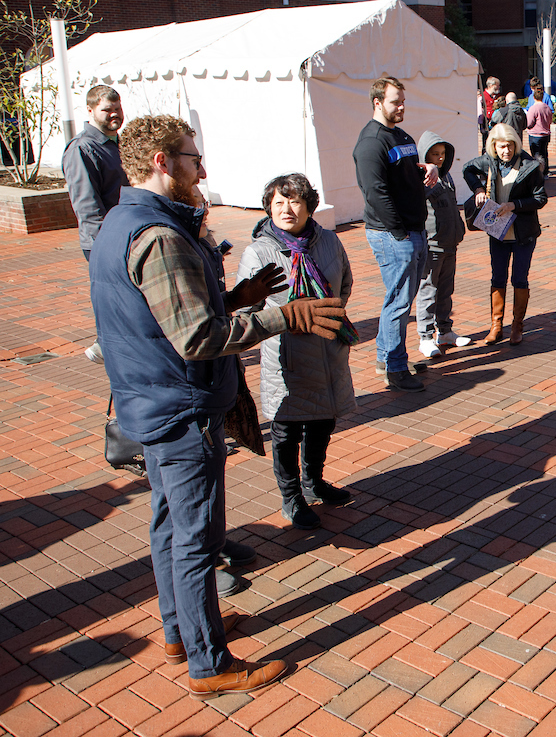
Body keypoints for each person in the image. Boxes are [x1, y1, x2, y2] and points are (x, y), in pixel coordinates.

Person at [91, 114, 345, 696]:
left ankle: (181, 629)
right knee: (196, 537)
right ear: (161, 161)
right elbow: (196, 337)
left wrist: (236, 298)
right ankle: (209, 662)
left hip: (152, 402)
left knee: (168, 524)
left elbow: (162, 317)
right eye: (191, 157)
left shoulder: (123, 220)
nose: (201, 168)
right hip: (180, 411)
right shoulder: (158, 234)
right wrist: (283, 314)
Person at [236, 174, 356, 531]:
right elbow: (246, 310)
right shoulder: (258, 252)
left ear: (309, 206)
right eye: (278, 203)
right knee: (287, 429)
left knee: (323, 419)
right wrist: (289, 320)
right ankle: (291, 498)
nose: (287, 209)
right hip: (285, 353)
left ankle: (313, 481)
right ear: (268, 208)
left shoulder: (330, 242)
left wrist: (325, 315)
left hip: (327, 345)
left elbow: (345, 283)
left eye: (294, 202)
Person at [353, 75, 440, 393]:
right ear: (377, 102)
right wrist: (401, 235)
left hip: (412, 231)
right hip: (394, 235)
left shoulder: (400, 135)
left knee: (400, 300)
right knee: (398, 303)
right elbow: (375, 192)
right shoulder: (371, 142)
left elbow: (404, 172)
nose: (402, 106)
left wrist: (426, 169)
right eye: (395, 101)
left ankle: (386, 359)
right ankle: (395, 368)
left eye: (403, 100)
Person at [463, 124, 548, 346]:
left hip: (523, 233)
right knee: (497, 277)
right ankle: (496, 325)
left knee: (519, 279)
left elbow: (540, 199)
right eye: (501, 147)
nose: (506, 151)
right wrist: (479, 190)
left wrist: (514, 205)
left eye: (510, 146)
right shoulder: (489, 161)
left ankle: (517, 325)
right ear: (494, 146)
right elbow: (467, 169)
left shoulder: (530, 166)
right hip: (497, 233)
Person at [64, 85, 129, 365]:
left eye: (118, 108)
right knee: (116, 301)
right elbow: (87, 207)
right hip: (105, 242)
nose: (114, 114)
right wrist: (108, 243)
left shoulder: (118, 144)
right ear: (90, 111)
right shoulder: (82, 149)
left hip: (128, 235)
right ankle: (106, 348)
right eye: (107, 109)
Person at [414, 131, 470, 359]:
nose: (439, 158)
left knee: (446, 290)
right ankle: (425, 337)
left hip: (450, 243)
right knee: (428, 291)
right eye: (434, 154)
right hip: (432, 245)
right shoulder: (422, 177)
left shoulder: (446, 176)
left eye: (442, 154)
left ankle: (445, 331)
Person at [526, 89, 553, 175]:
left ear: (533, 97)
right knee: (544, 153)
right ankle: (545, 171)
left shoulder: (533, 108)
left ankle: (538, 173)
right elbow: (550, 120)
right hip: (545, 134)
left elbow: (529, 123)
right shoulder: (547, 108)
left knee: (536, 155)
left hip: (535, 134)